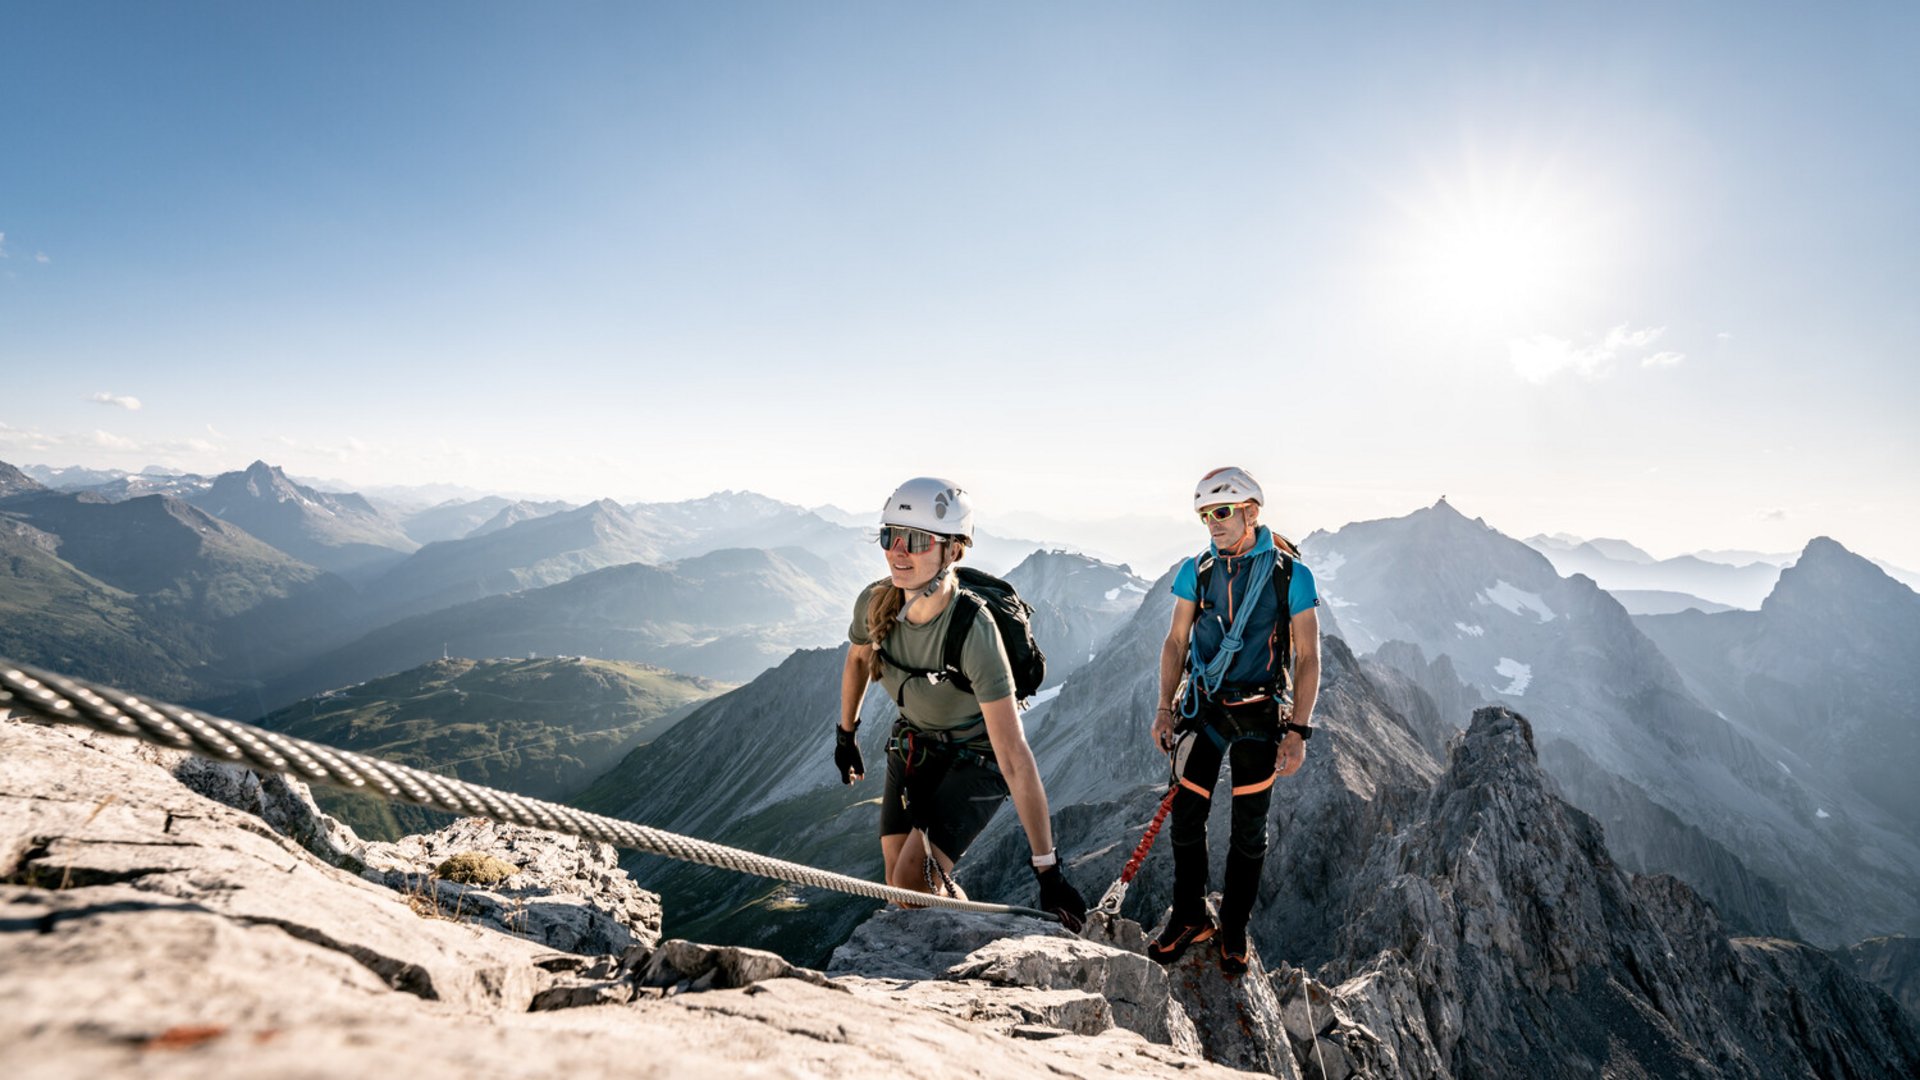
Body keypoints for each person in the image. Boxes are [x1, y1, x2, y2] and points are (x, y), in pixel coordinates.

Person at [834, 476, 1087, 930]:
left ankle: (968, 947)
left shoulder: (973, 629)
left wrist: (1048, 870)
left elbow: (1014, 755)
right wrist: (845, 734)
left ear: (952, 550)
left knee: (912, 881)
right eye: (890, 536)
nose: (897, 551)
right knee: (899, 883)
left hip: (979, 759)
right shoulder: (874, 603)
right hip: (916, 744)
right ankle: (962, 927)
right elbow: (857, 660)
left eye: (915, 540)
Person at [1147, 466, 1321, 975]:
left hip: (1261, 712)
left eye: (1221, 512)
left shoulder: (1291, 574)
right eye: (1205, 515)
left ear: (1252, 512)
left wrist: (1299, 731)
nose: (1212, 524)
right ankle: (1189, 917)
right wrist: (1163, 706)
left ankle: (1235, 927)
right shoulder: (1197, 570)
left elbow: (1308, 655)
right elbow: (1176, 642)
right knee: (1186, 818)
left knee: (1249, 830)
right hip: (1204, 706)